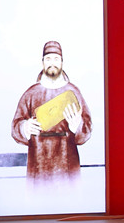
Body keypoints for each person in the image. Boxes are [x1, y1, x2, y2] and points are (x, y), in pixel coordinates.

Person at [11, 41, 92, 179]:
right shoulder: (31, 94)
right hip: (38, 166)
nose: (52, 63)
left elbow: (87, 128)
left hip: (68, 167)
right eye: (48, 59)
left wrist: (77, 126)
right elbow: (15, 127)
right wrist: (25, 127)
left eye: (56, 59)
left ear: (62, 62)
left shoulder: (73, 92)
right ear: (42, 62)